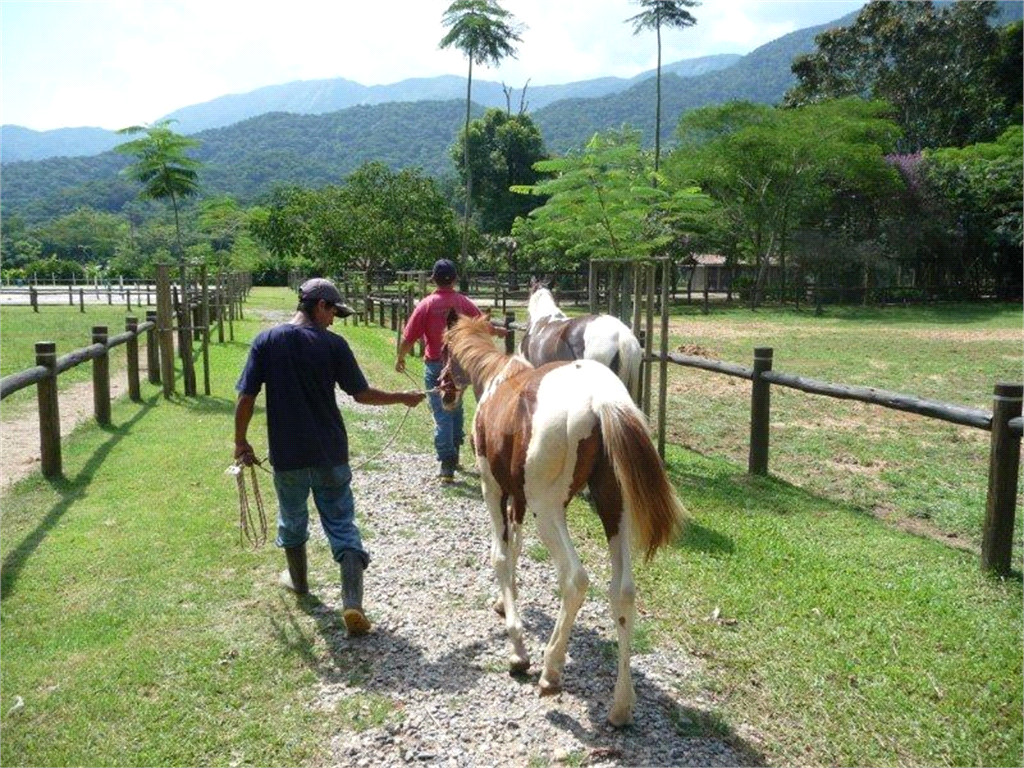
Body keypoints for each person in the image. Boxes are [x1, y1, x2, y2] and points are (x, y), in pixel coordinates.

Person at [234, 277, 425, 636]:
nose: (335, 319)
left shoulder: (267, 341)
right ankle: (352, 602)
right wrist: (402, 396)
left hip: (288, 455)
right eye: (334, 311)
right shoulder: (333, 345)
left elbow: (246, 397)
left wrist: (240, 442)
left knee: (292, 521)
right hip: (330, 454)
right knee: (342, 525)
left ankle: (299, 583)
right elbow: (362, 394)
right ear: (320, 305)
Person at [396, 259, 504, 483]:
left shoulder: (425, 305)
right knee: (456, 407)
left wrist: (401, 357)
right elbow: (481, 324)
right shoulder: (462, 302)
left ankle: (447, 462)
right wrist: (499, 332)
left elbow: (408, 337)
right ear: (454, 279)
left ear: (433, 279)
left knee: (441, 412)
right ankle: (455, 448)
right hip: (460, 367)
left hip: (436, 364)